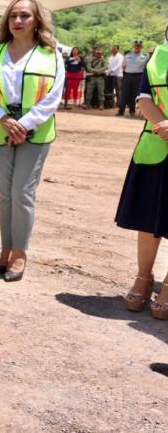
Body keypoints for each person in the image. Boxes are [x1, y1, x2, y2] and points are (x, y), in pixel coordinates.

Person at [0, 0, 64, 282]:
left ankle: (20, 252)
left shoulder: (52, 54)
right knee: (5, 194)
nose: (18, 21)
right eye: (13, 15)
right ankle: (5, 249)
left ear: (37, 20)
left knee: (22, 193)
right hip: (1, 129)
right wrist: (3, 119)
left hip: (35, 132)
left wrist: (23, 125)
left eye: (25, 16)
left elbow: (54, 96)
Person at [115, 39, 168, 319]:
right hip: (157, 144)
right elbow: (143, 98)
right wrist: (163, 124)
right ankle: (144, 278)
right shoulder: (158, 55)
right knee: (148, 217)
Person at [119, 40, 149, 117]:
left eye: (139, 46)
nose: (137, 47)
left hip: (139, 76)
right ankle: (120, 111)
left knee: (134, 94)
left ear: (141, 47)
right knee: (124, 93)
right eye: (136, 46)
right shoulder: (127, 55)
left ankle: (132, 111)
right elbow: (123, 66)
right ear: (134, 46)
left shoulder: (145, 57)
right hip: (128, 76)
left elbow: (146, 68)